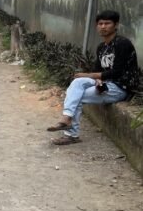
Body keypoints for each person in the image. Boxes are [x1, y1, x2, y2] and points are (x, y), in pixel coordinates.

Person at [47, 10, 139, 145]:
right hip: (104, 84)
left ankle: (71, 135)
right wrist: (96, 79)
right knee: (78, 82)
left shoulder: (122, 43)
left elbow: (117, 72)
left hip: (119, 88)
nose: (103, 26)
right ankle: (67, 118)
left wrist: (89, 75)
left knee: (77, 96)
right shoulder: (102, 47)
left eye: (107, 23)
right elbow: (98, 69)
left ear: (116, 25)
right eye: (100, 23)